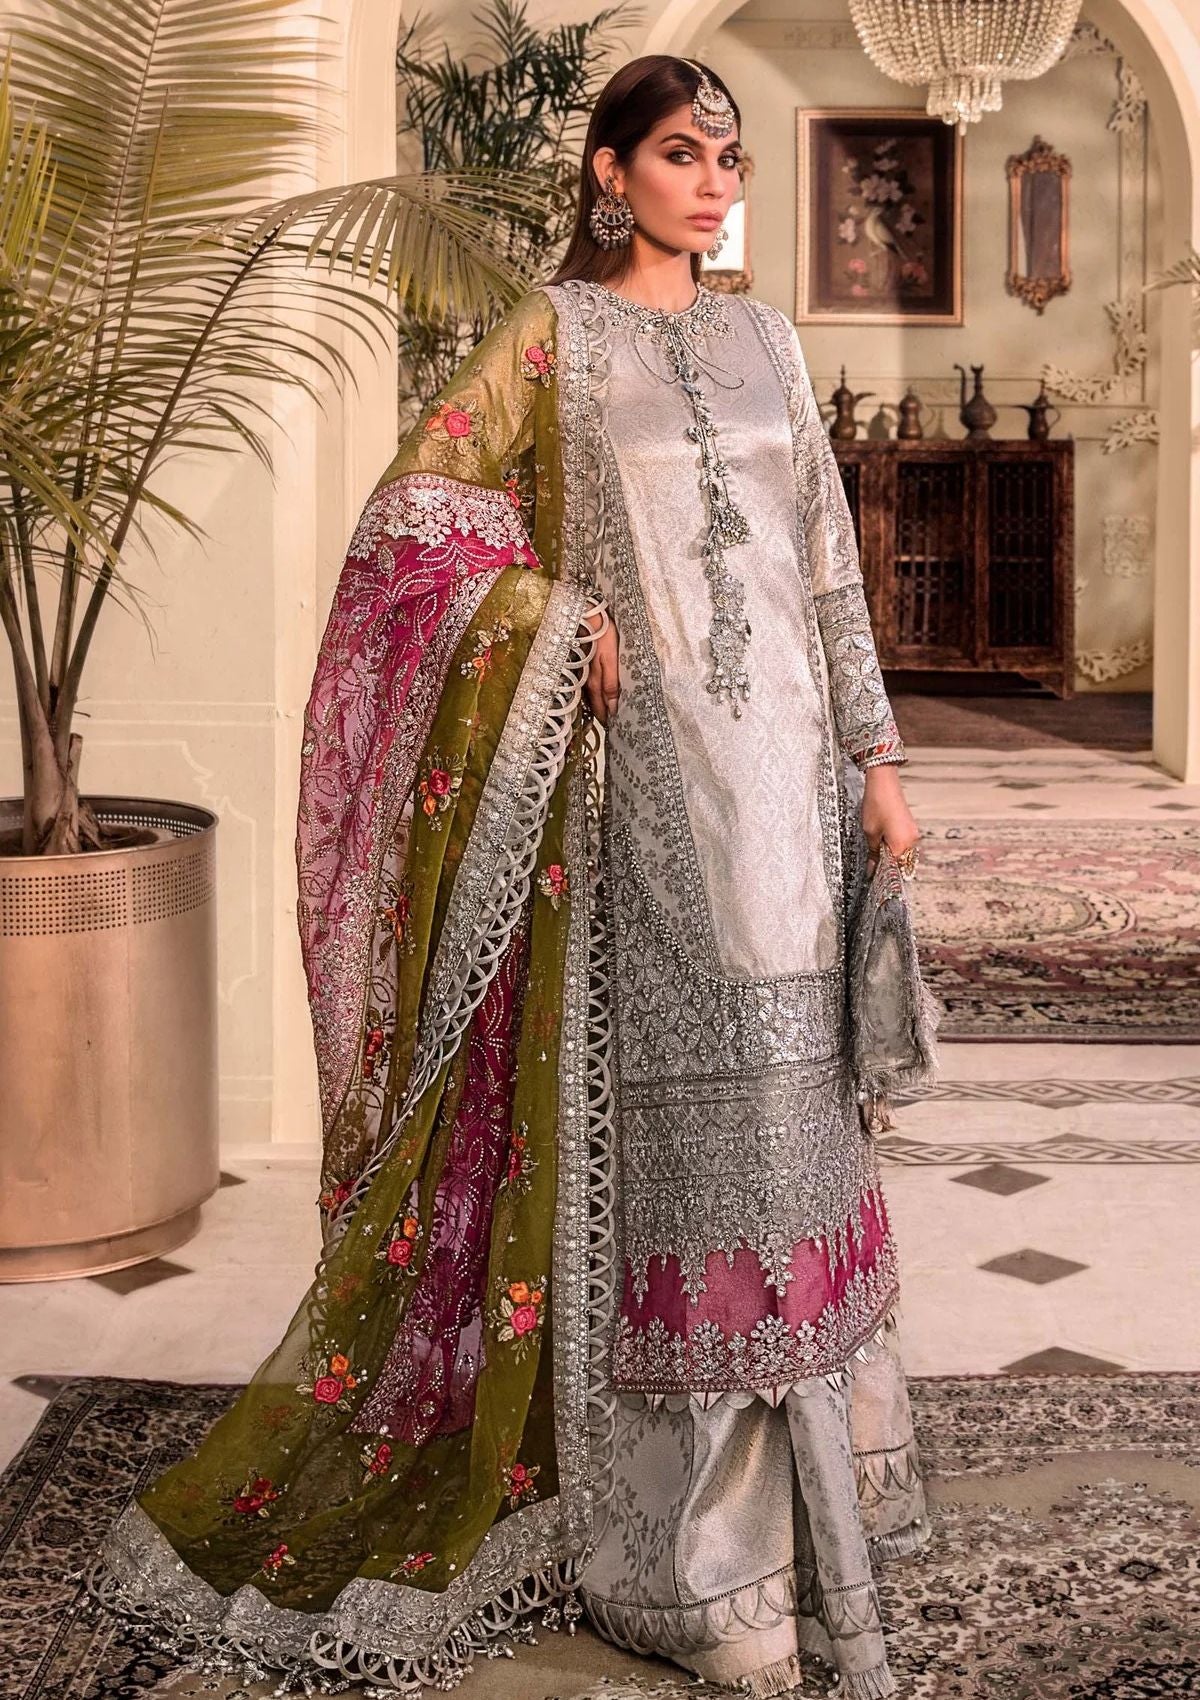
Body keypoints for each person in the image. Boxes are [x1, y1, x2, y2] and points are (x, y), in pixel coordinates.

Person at [82, 53, 933, 1700]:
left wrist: (878, 765)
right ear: (611, 172)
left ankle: (823, 1503)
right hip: (648, 807)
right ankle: (697, 1563)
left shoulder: (768, 340)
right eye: (681, 154)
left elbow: (828, 567)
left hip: (795, 806)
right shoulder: (551, 337)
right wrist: (551, 612)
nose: (713, 183)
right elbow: (409, 531)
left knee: (800, 1133)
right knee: (692, 1153)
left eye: (730, 159)